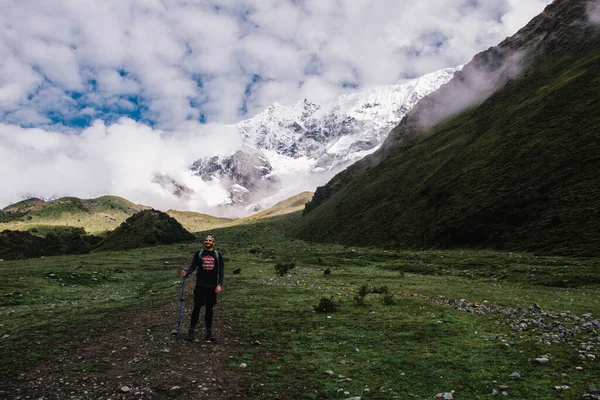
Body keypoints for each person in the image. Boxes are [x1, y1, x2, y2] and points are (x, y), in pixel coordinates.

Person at [181, 234, 224, 342]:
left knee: (209, 309)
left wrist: (220, 285)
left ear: (214, 243)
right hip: (200, 285)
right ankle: (191, 333)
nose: (207, 241)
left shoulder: (218, 255)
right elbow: (193, 266)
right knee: (197, 308)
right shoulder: (199, 254)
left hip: (212, 286)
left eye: (210, 240)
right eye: (206, 240)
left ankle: (208, 333)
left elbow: (221, 272)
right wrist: (186, 273)